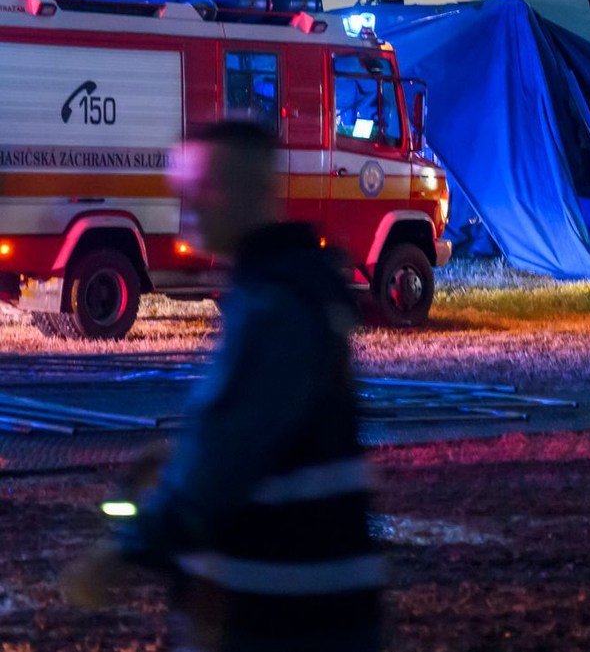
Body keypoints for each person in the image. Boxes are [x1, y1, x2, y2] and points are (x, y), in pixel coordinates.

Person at [64, 121, 383, 652]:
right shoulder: (278, 292)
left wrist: (123, 552)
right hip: (299, 604)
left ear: (250, 192)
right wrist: (182, 451)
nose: (189, 202)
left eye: (204, 186)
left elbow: (226, 464)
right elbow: (269, 438)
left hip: (289, 615)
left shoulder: (274, 307)